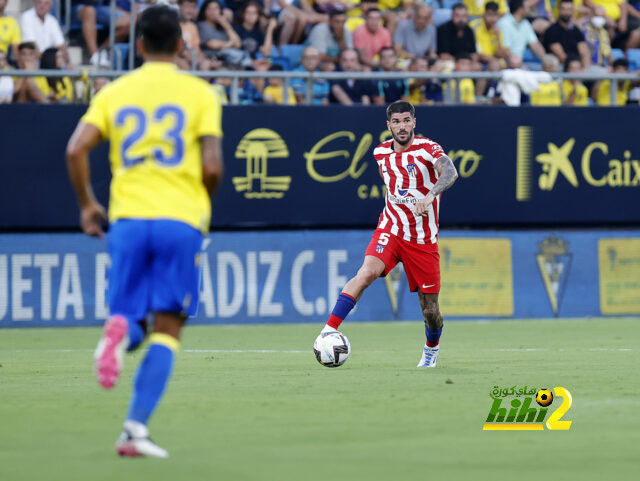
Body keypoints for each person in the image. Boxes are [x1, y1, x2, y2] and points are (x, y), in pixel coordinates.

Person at [65, 5, 224, 458]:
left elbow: (76, 149)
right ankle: (134, 428)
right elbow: (211, 164)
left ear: (138, 46)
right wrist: (200, 200)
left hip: (128, 221)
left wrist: (87, 205)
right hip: (180, 221)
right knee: (168, 327)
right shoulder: (200, 94)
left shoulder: (117, 91)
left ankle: (116, 333)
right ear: (180, 44)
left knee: (129, 316)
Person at [319, 100, 458, 368]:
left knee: (430, 310)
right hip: (391, 229)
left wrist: (429, 196)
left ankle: (431, 348)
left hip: (422, 239)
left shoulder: (428, 149)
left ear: (414, 122)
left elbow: (450, 172)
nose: (402, 126)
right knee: (366, 272)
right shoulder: (381, 152)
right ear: (389, 125)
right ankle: (328, 330)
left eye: (407, 120)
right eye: (396, 122)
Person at [543, 0, 591, 69]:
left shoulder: (576, 30)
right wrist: (575, 67)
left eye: (569, 9)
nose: (566, 12)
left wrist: (585, 70)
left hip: (577, 66)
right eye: (563, 9)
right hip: (560, 67)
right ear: (559, 10)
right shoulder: (552, 30)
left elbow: (584, 52)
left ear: (572, 11)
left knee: (599, 72)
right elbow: (561, 56)